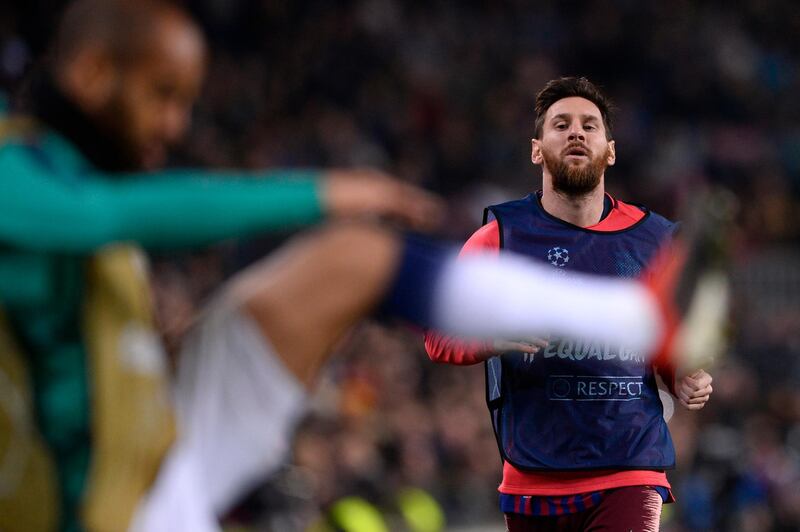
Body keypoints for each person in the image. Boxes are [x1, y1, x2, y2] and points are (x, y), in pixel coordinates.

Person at [0, 2, 706, 529]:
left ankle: (635, 318)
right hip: (110, 512)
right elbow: (104, 216)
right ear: (93, 73)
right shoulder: (22, 180)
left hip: (154, 462)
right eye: (163, 95)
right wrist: (321, 191)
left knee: (356, 255)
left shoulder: (65, 184)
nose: (177, 125)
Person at [425, 77, 715, 531]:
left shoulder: (658, 240)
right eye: (561, 125)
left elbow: (673, 336)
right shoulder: (500, 237)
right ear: (537, 149)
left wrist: (684, 374)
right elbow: (437, 336)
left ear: (610, 150)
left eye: (589, 125)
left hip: (629, 466)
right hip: (533, 477)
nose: (576, 132)